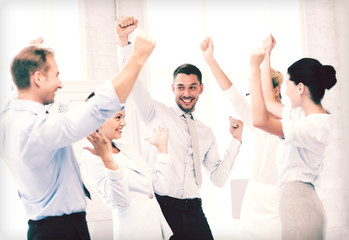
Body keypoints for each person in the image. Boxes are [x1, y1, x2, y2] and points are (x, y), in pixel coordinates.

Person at [0, 31, 155, 240]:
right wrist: (136, 59)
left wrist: (27, 56)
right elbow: (97, 109)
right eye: (56, 75)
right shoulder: (36, 129)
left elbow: (18, 91)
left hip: (47, 229)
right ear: (37, 78)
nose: (61, 84)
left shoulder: (10, 117)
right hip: (60, 232)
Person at [116, 16, 243, 240]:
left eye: (192, 87)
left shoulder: (206, 132)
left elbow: (219, 179)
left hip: (194, 210)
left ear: (201, 89)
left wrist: (236, 140)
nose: (186, 93)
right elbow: (130, 81)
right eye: (181, 87)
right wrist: (123, 39)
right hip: (162, 209)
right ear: (173, 88)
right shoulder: (154, 112)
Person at [249, 34, 337, 240]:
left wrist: (254, 70)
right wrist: (267, 55)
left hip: (299, 203)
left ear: (300, 87)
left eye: (288, 85)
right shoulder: (301, 115)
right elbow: (269, 102)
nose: (286, 92)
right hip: (297, 201)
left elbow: (260, 120)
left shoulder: (315, 126)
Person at [201, 37, 283, 239]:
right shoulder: (257, 118)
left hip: (279, 201)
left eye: (258, 90)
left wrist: (267, 56)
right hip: (254, 198)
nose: (253, 97)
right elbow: (233, 96)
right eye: (251, 91)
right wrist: (210, 59)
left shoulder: (291, 121)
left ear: (276, 90)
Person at [80, 94, 173, 240]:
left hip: (157, 230)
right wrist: (108, 160)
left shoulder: (128, 148)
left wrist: (162, 149)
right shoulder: (91, 158)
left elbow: (161, 187)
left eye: (124, 117)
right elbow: (118, 200)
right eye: (118, 117)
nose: (124, 123)